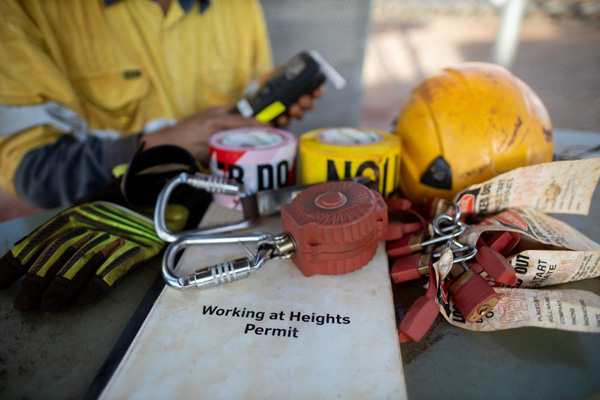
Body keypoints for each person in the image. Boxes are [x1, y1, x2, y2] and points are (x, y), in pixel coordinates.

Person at [0, 0, 322, 209]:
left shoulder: (238, 6)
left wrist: (266, 121)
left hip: (229, 214)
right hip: (115, 218)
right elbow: (33, 173)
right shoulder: (26, 9)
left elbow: (249, 106)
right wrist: (162, 146)